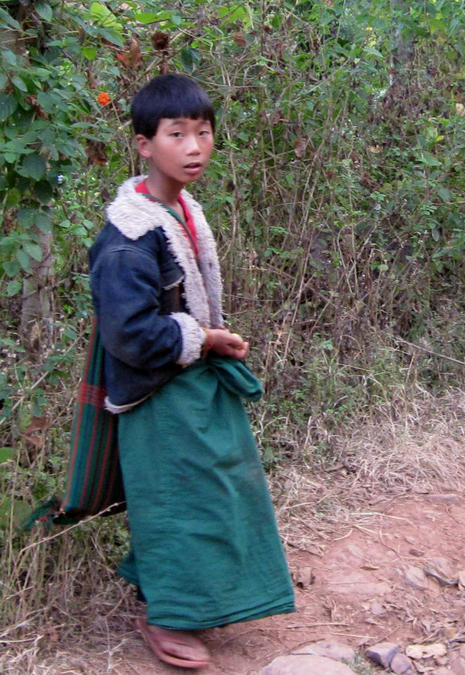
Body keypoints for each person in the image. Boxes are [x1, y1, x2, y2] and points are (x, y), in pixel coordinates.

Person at [89, 74, 295, 668]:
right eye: (176, 134)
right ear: (144, 145)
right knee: (181, 502)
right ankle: (167, 616)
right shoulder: (127, 237)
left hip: (191, 382)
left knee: (215, 490)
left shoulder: (178, 209)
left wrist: (207, 345)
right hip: (158, 395)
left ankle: (169, 585)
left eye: (203, 132)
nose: (194, 147)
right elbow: (127, 335)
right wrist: (201, 338)